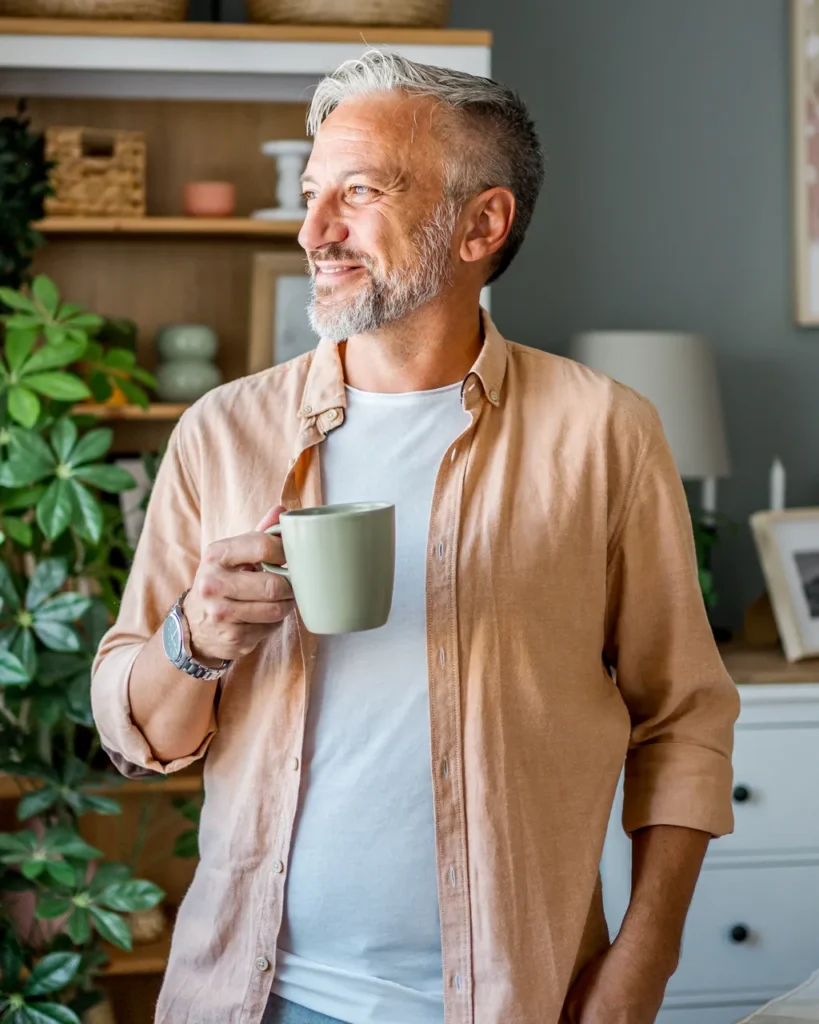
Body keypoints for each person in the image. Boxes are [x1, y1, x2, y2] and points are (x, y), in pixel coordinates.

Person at [92, 49, 739, 1024]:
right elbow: (139, 735)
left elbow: (683, 718)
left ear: (483, 222)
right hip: (253, 996)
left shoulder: (604, 431)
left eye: (358, 192)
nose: (314, 230)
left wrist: (641, 967)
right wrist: (195, 636)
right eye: (312, 194)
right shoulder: (223, 432)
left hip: (512, 1000)